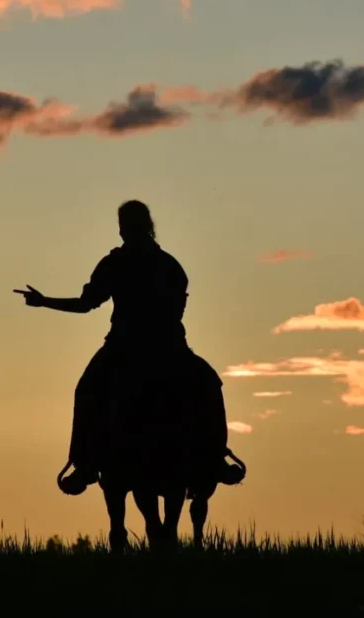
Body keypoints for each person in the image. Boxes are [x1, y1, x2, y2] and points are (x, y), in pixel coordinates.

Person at [15, 200, 242, 495]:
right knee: (209, 383)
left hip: (126, 346)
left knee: (86, 388)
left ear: (126, 228)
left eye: (124, 226)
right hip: (169, 346)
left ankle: (83, 463)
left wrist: (44, 302)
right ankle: (216, 460)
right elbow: (178, 308)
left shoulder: (117, 263)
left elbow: (86, 305)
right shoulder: (169, 265)